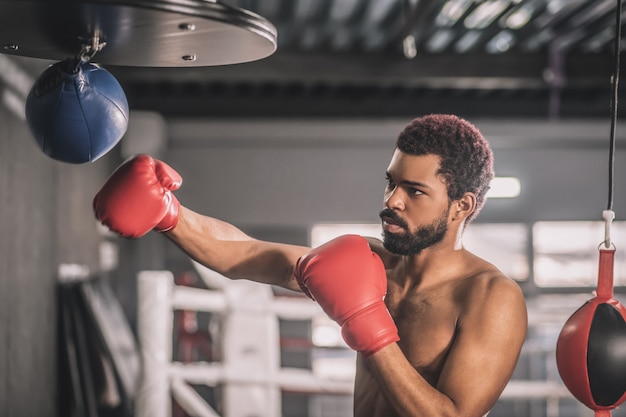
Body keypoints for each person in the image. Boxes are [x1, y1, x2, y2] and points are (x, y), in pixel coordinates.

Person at [93, 114, 528, 417]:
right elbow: (245, 254)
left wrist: (370, 327)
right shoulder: (368, 260)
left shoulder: (490, 297)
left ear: (461, 207)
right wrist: (169, 213)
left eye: (414, 191)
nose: (392, 201)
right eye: (391, 183)